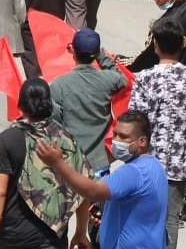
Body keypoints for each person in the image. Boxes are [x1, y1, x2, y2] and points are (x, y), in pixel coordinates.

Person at [127, 17, 186, 248]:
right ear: (181, 44)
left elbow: (134, 122)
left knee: (143, 217)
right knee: (171, 219)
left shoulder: (145, 78)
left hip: (147, 163)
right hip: (178, 165)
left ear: (155, 43)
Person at [33, 110, 167, 249]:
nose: (116, 140)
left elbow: (93, 192)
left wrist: (58, 163)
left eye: (123, 137)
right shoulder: (155, 165)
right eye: (115, 134)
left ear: (142, 142)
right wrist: (108, 218)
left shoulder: (132, 172)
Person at [0, 80, 92, 249]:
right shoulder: (66, 139)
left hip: (15, 239)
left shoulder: (8, 139)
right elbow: (83, 188)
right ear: (49, 104)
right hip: (53, 239)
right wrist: (81, 231)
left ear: (20, 104)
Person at [54, 29, 130, 169]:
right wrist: (103, 57)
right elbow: (123, 79)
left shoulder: (59, 85)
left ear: (72, 51)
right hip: (100, 162)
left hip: (72, 164)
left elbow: (52, 123)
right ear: (96, 53)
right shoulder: (109, 79)